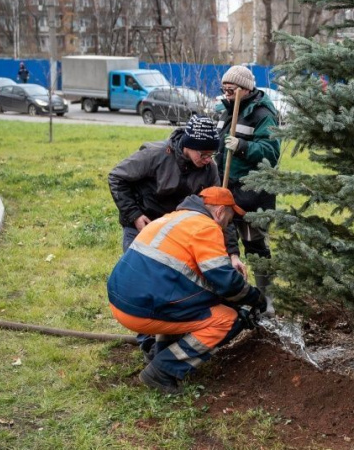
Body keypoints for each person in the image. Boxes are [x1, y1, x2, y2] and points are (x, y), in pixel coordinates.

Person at [108, 115, 247, 359]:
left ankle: (172, 332)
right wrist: (134, 215)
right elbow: (117, 177)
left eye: (210, 155)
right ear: (188, 145)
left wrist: (233, 253)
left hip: (178, 233)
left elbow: (220, 211)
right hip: (144, 225)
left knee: (175, 283)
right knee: (144, 282)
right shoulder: (155, 155)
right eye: (203, 154)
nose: (207, 160)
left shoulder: (208, 168)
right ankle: (149, 343)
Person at [107, 187, 266, 394]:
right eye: (229, 217)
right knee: (228, 319)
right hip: (141, 310)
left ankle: (160, 353)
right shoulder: (207, 228)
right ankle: (163, 370)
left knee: (187, 302)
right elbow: (226, 282)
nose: (229, 224)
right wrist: (255, 299)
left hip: (121, 301)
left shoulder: (173, 218)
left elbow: (188, 276)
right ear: (218, 212)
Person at [215, 65, 280, 315]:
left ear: (245, 89)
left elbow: (271, 154)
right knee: (224, 243)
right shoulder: (226, 111)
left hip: (253, 192)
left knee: (255, 245)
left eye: (231, 90)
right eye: (224, 90)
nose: (227, 94)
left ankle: (267, 300)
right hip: (227, 189)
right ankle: (235, 296)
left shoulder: (262, 114)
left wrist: (242, 146)